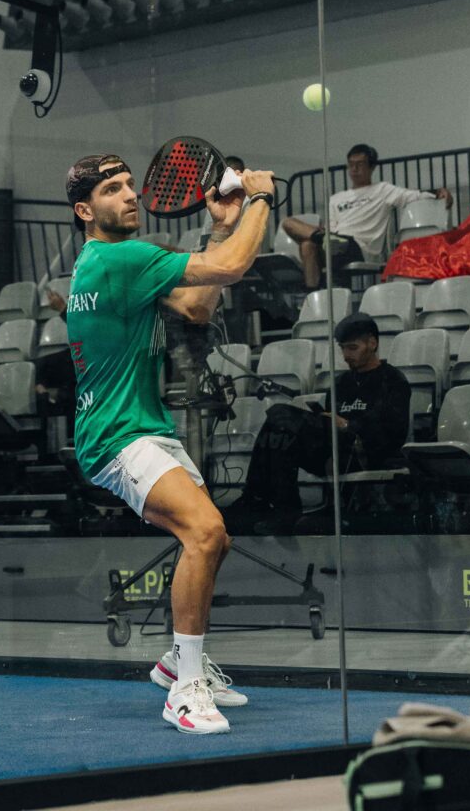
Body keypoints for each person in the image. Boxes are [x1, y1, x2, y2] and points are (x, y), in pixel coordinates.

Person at [65, 151, 275, 734]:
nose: (130, 194)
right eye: (112, 189)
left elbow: (196, 307)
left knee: (214, 539)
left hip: (143, 429)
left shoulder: (113, 262)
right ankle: (184, 690)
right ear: (85, 211)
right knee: (203, 532)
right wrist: (260, 197)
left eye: (130, 184)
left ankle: (178, 662)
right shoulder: (120, 258)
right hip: (116, 436)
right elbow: (230, 269)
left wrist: (221, 226)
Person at [239, 313, 411, 534]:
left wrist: (348, 425)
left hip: (366, 451)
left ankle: (272, 505)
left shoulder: (393, 380)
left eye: (352, 348)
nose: (346, 356)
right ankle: (265, 502)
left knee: (281, 415)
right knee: (278, 424)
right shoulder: (341, 383)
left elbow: (394, 432)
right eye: (343, 349)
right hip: (335, 448)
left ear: (372, 343)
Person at [281, 144, 454, 289]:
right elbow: (332, 225)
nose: (354, 169)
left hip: (359, 246)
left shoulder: (383, 190)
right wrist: (326, 234)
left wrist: (438, 192)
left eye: (360, 164)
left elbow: (412, 196)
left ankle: (325, 242)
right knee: (297, 234)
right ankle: (313, 298)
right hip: (333, 241)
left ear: (371, 167)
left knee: (314, 242)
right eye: (351, 165)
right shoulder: (336, 199)